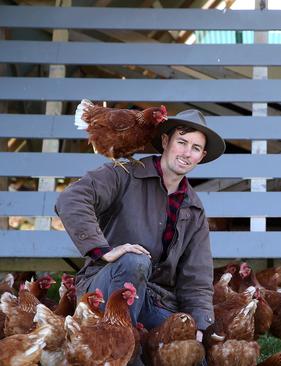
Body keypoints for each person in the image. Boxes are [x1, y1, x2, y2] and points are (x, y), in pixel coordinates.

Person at [55, 109, 225, 348]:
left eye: (195, 148)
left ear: (201, 156)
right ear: (166, 141)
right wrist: (102, 249)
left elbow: (196, 275)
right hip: (106, 290)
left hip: (156, 300)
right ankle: (121, 349)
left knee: (189, 353)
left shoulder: (193, 208)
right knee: (134, 261)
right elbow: (72, 199)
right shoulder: (123, 174)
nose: (187, 153)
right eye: (182, 142)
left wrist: (198, 325)